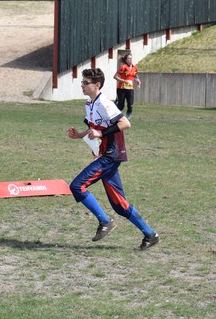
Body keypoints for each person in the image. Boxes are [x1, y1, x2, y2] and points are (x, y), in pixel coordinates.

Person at [66, 68, 160, 250]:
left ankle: (105, 221)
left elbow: (125, 123)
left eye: (86, 83)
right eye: (82, 83)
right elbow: (93, 129)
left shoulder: (104, 103)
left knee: (77, 186)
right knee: (119, 204)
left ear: (97, 85)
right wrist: (79, 135)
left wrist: (100, 132)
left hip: (111, 155)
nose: (82, 86)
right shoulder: (89, 104)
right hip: (106, 156)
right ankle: (150, 234)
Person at [114, 53, 141, 119]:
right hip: (121, 88)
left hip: (130, 89)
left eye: (131, 58)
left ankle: (127, 118)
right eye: (129, 58)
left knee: (130, 104)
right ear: (126, 60)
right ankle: (116, 106)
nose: (130, 59)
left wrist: (138, 80)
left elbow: (135, 76)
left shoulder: (135, 68)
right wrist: (123, 81)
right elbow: (115, 76)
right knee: (121, 106)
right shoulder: (123, 67)